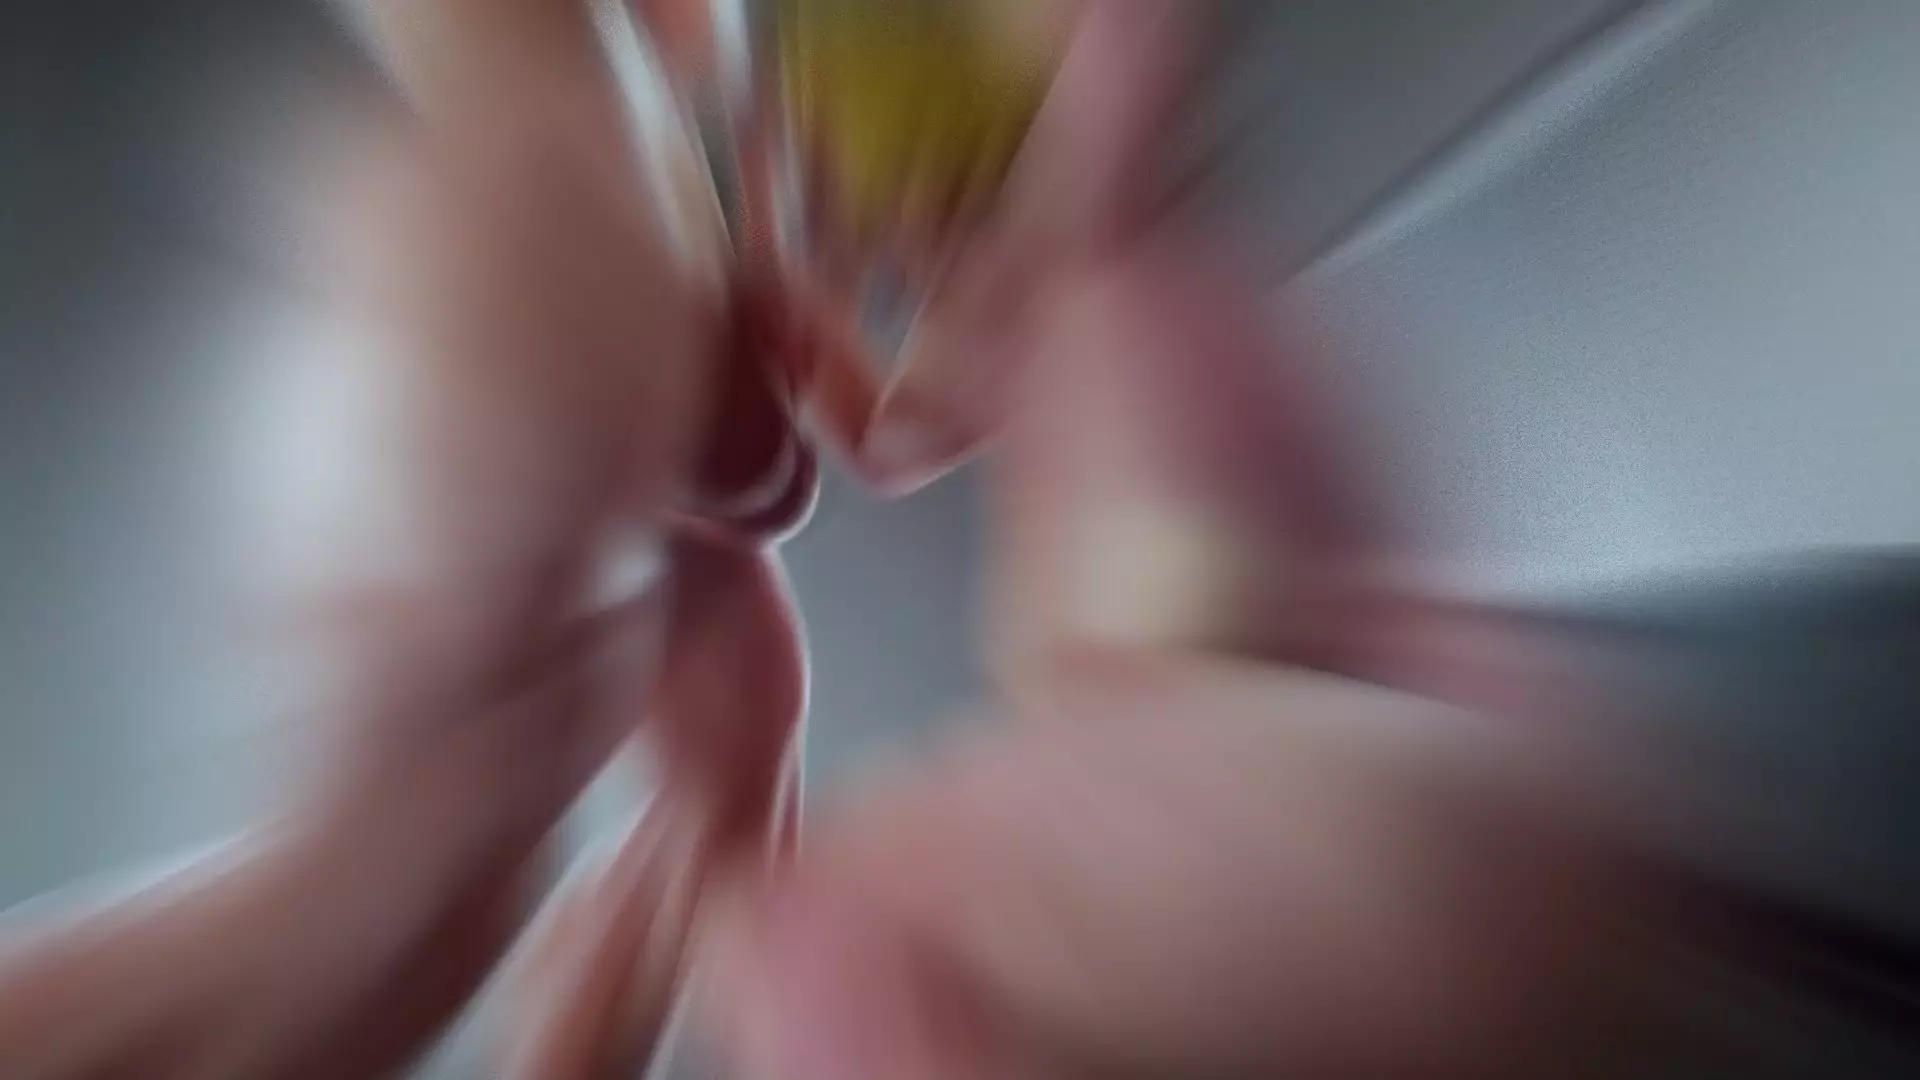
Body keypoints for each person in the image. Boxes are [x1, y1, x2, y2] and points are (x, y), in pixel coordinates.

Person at [0, 1, 1654, 1077]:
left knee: (547, 867)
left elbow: (875, 403)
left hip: (639, 294)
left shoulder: (996, 256)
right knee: (415, 896)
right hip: (592, 243)